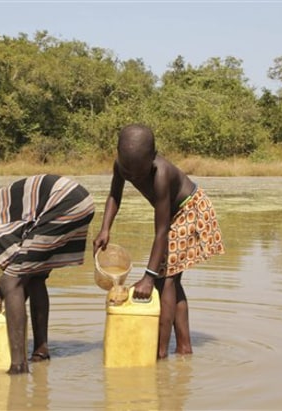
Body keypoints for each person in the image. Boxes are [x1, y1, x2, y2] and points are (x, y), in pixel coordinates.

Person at [0, 174, 94, 374]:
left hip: (63, 201)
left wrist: (4, 289)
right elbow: (24, 270)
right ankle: (40, 351)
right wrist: (0, 292)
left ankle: (18, 365)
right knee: (34, 277)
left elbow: (13, 279)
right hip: (75, 198)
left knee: (10, 281)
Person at [93, 124, 224, 359]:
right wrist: (105, 228)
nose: (132, 176)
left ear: (152, 158)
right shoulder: (121, 166)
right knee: (171, 279)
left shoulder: (161, 174)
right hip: (174, 214)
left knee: (165, 280)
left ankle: (159, 352)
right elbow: (115, 194)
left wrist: (148, 277)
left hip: (190, 210)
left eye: (138, 172)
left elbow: (162, 231)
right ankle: (184, 347)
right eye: (127, 171)